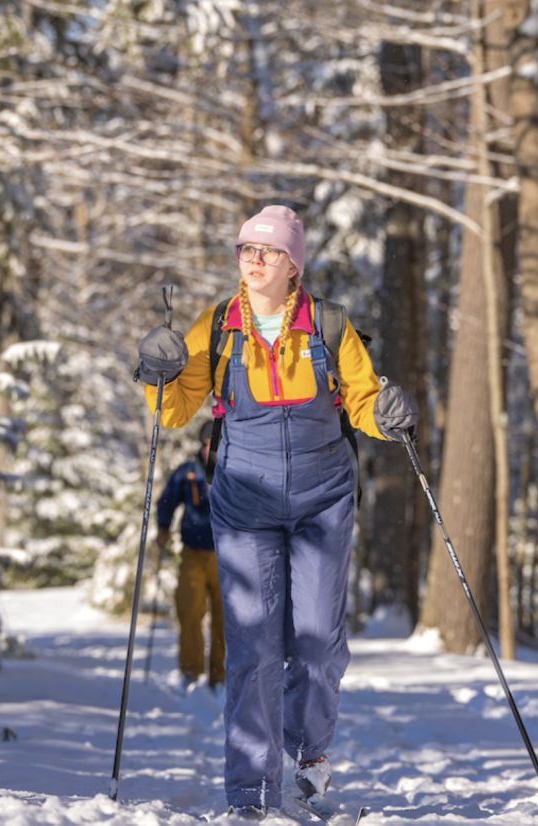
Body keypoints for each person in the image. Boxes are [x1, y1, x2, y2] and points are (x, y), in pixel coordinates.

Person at [135, 205, 419, 821]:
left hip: (323, 500)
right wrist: (158, 371)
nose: (254, 260)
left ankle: (310, 753)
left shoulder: (329, 326)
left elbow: (364, 402)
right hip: (244, 503)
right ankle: (249, 792)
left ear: (294, 264)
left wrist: (390, 416)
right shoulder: (218, 326)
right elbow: (176, 408)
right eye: (246, 249)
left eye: (267, 251)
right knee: (252, 649)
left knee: (316, 646)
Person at [155, 420, 225, 691]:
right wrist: (163, 527)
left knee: (225, 617)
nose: (212, 449)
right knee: (189, 609)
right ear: (201, 445)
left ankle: (221, 677)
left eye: (216, 444)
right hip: (193, 552)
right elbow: (167, 501)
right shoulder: (187, 472)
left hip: (227, 555)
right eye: (209, 444)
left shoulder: (233, 470)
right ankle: (191, 672)